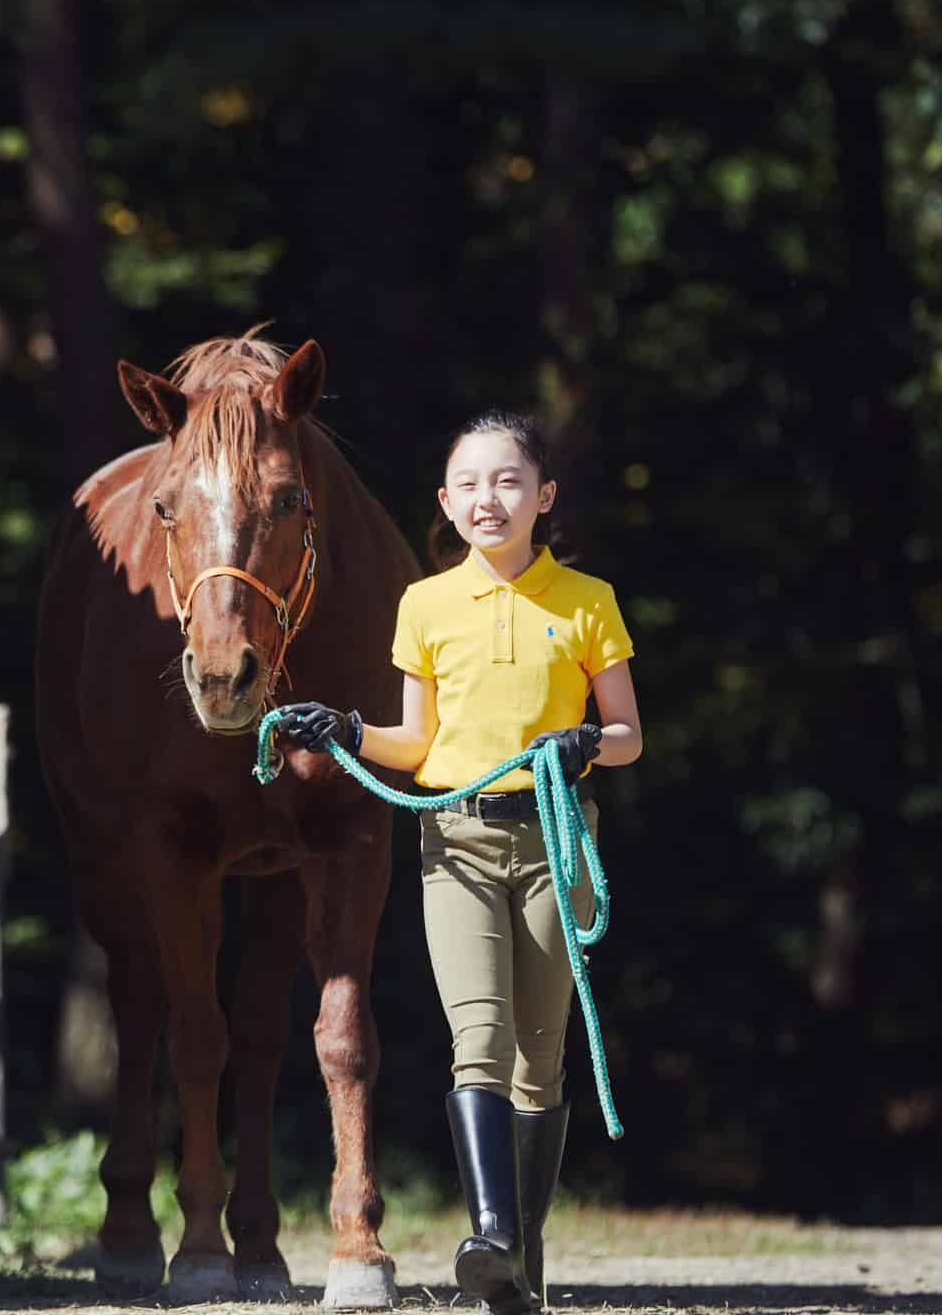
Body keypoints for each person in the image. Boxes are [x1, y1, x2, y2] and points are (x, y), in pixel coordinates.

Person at [277, 410, 643, 1312]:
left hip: (557, 839)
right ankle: (491, 1236)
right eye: (471, 485)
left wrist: (586, 742)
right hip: (457, 843)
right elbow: (416, 739)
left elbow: (631, 735)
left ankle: (519, 1263)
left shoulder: (588, 600)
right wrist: (349, 730)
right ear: (446, 502)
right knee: (476, 1040)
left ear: (543, 498)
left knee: (541, 1058)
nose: (490, 498)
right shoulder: (425, 604)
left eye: (509, 481)